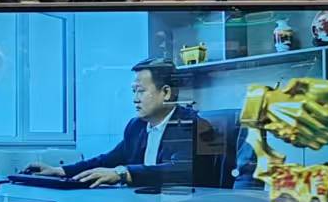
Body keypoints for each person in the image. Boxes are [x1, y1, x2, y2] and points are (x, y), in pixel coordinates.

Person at [24, 59, 248, 191]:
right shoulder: (137, 126)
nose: (134, 99)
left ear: (166, 93)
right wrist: (60, 171)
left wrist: (123, 174)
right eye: (133, 91)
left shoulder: (195, 125)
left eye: (140, 91)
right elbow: (108, 160)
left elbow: (181, 171)